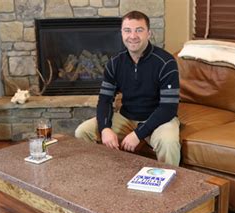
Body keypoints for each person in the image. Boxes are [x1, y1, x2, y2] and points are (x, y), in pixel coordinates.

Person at [75, 10, 181, 166]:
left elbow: (168, 108)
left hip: (159, 120)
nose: (133, 36)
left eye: (139, 30)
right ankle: (98, 177)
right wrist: (105, 128)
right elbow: (105, 100)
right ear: (121, 33)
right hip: (126, 118)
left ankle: (171, 187)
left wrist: (138, 134)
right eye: (127, 30)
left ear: (148, 33)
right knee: (82, 132)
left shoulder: (166, 62)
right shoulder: (115, 62)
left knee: (169, 143)